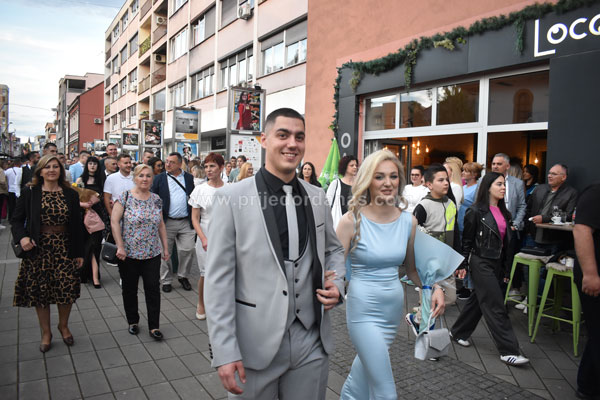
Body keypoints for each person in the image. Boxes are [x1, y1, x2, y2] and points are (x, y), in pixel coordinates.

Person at [205, 108, 345, 399]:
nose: (292, 143)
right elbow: (218, 280)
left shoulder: (317, 196)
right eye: (283, 135)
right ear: (264, 139)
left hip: (311, 339)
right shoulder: (231, 198)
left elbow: (333, 248)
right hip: (254, 344)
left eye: (299, 137)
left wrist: (338, 283)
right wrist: (224, 350)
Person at [336, 150, 444, 399]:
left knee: (362, 376)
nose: (387, 183)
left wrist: (435, 287)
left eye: (393, 176)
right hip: (362, 311)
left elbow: (412, 270)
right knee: (385, 390)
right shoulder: (350, 221)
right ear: (367, 180)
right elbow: (333, 270)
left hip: (391, 311)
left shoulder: (409, 222)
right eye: (379, 176)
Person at [450, 172, 529, 366]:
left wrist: (506, 271)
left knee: (478, 300)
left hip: (497, 264)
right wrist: (463, 265)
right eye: (499, 184)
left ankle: (458, 332)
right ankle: (508, 351)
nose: (503, 188)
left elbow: (506, 245)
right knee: (495, 305)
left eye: (504, 184)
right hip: (481, 262)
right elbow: (467, 241)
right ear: (488, 187)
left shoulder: (505, 213)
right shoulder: (475, 211)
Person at [11, 155, 85, 353]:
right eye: (47, 167)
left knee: (66, 290)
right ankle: (46, 332)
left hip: (65, 248)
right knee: (41, 293)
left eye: (55, 167)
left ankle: (63, 326)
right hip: (38, 249)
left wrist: (79, 252)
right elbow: (16, 220)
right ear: (40, 171)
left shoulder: (70, 193)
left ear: (61, 170)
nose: (52, 170)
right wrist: (22, 238)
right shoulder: (30, 192)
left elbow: (77, 225)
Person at [111, 164, 169, 340]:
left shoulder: (156, 199)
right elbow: (114, 222)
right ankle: (133, 321)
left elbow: (161, 224)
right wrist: (120, 246)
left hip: (152, 252)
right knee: (130, 289)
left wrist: (165, 248)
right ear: (135, 177)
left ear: (152, 179)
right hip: (128, 254)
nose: (145, 179)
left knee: (153, 289)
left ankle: (154, 326)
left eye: (148, 176)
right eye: (141, 175)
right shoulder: (125, 197)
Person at [407, 165, 459, 331]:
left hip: (447, 259)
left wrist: (460, 260)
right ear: (429, 184)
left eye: (446, 180)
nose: (446, 183)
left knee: (450, 298)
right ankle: (425, 335)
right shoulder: (423, 206)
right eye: (440, 180)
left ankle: (417, 316)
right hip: (428, 262)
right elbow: (413, 235)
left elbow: (456, 230)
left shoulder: (451, 204)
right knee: (429, 300)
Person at [151, 152, 196, 293]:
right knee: (165, 253)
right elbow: (153, 197)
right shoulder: (159, 178)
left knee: (188, 249)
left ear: (180, 164)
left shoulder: (189, 178)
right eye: (167, 161)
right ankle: (166, 280)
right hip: (166, 222)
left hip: (186, 221)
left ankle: (183, 276)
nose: (168, 164)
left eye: (172, 162)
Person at [189, 153, 225, 320]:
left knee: (224, 272)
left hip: (225, 236)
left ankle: (220, 304)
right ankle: (201, 303)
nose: (208, 170)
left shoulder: (230, 188)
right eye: (206, 166)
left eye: (212, 166)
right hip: (206, 235)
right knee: (205, 273)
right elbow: (195, 218)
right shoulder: (200, 189)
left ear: (221, 168)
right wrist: (203, 238)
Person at [572, 183, 600, 399]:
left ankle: (587, 385)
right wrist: (590, 274)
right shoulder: (595, 193)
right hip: (594, 277)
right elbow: (581, 230)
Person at [525, 163, 578, 247]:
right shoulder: (539, 189)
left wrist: (544, 219)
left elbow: (569, 216)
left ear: (563, 177)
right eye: (549, 173)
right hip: (532, 237)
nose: (549, 176)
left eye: (554, 174)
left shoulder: (571, 193)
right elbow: (528, 209)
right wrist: (527, 229)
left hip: (554, 240)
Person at [76, 156, 106, 288]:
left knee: (95, 247)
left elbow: (105, 197)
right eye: (90, 163)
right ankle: (85, 274)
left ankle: (95, 276)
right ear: (87, 165)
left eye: (95, 164)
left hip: (97, 216)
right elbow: (74, 199)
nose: (92, 166)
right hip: (83, 216)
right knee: (86, 246)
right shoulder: (80, 180)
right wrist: (83, 204)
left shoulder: (102, 180)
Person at [456, 162, 484, 299]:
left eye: (466, 171)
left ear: (474, 174)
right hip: (460, 223)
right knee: (462, 255)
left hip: (469, 225)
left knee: (468, 256)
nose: (463, 173)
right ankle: (464, 284)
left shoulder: (477, 189)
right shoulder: (463, 187)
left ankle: (470, 286)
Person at [326, 155, 358, 230]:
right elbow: (327, 204)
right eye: (352, 165)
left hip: (355, 224)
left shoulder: (358, 184)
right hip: (338, 222)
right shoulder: (336, 183)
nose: (355, 167)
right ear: (345, 167)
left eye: (356, 165)